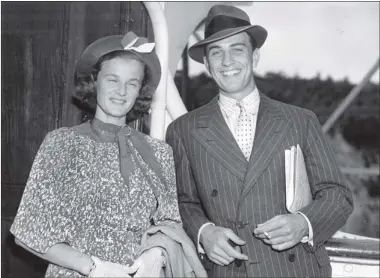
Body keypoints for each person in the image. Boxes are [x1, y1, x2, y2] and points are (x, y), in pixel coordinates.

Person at [166, 5, 354, 278]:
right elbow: (183, 202)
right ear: (207, 64)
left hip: (296, 269)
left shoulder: (300, 120)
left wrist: (304, 223)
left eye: (237, 49)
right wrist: (204, 233)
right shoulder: (183, 130)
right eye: (216, 53)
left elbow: (338, 195)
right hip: (228, 270)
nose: (227, 61)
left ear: (254, 57)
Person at [10, 31, 206, 278]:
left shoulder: (159, 153)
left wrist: (155, 255)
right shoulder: (62, 143)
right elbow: (27, 231)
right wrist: (93, 267)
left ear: (140, 91)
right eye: (113, 80)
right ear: (95, 83)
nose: (122, 91)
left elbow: (171, 224)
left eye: (132, 83)